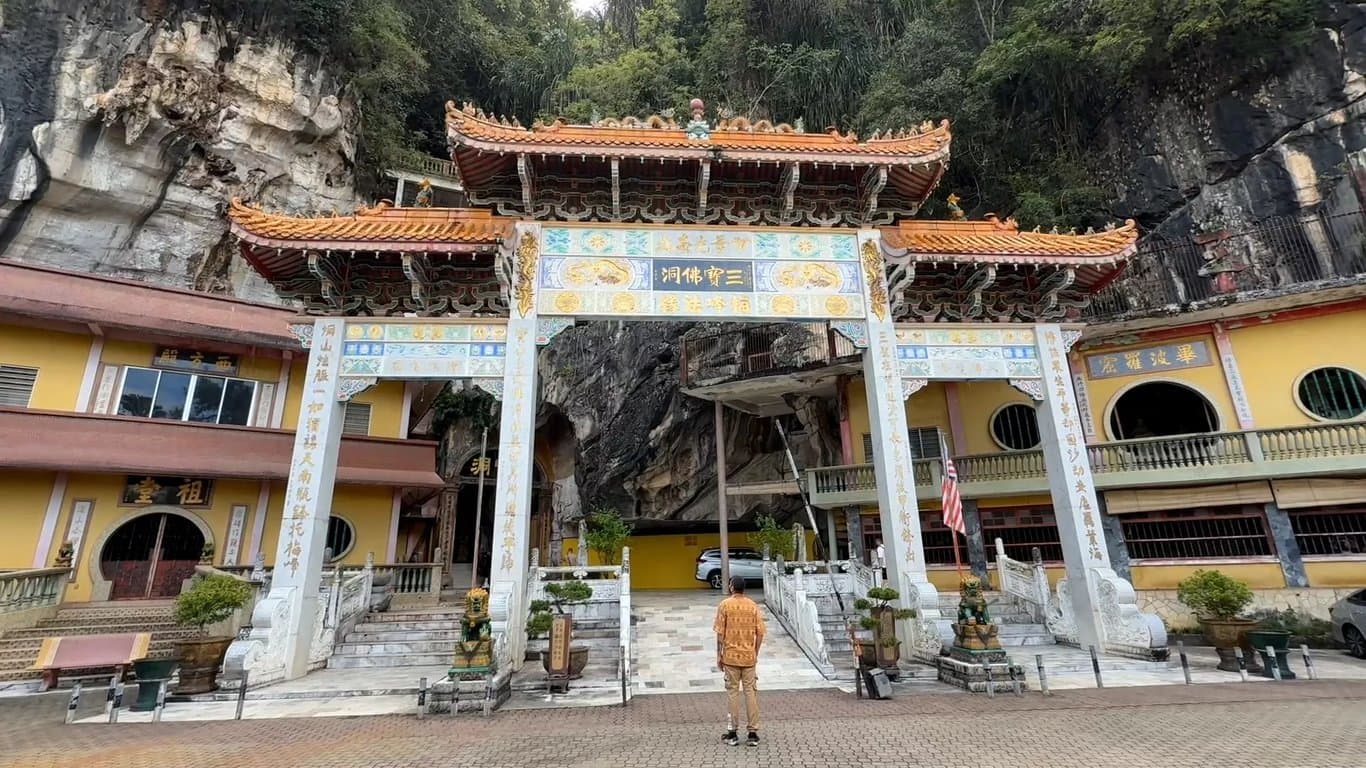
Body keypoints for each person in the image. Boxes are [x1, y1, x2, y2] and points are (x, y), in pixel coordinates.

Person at [714, 574, 766, 747]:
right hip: (749, 657)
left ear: (731, 587)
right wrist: (755, 652)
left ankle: (732, 732)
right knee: (750, 692)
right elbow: (760, 633)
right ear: (744, 588)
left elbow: (720, 633)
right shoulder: (753, 606)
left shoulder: (725, 605)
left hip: (730, 657)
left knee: (733, 692)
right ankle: (752, 733)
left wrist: (719, 654)